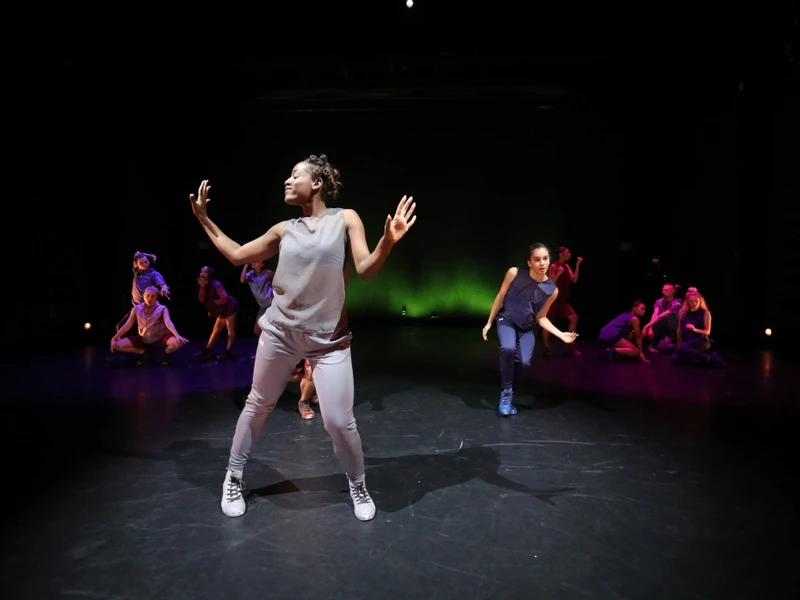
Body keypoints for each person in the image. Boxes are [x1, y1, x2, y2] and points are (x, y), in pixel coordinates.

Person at [189, 154, 417, 520]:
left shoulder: (346, 218)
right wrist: (204, 218)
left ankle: (357, 483)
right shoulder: (283, 229)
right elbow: (235, 255)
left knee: (338, 422)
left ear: (317, 184)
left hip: (330, 341)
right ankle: (233, 476)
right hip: (280, 334)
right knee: (258, 403)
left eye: (295, 175)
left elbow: (366, 269)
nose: (287, 180)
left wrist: (387, 242)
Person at [482, 243, 579, 416]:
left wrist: (561, 335)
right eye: (537, 259)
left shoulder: (552, 290)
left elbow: (541, 317)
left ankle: (511, 390)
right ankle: (506, 393)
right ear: (529, 262)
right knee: (508, 348)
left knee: (524, 363)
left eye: (545, 259)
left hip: (527, 328)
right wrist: (489, 322)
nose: (542, 263)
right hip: (508, 320)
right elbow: (500, 295)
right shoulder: (515, 273)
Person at [111, 286, 188, 365]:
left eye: (153, 296)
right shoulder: (137, 308)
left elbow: (168, 322)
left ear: (156, 297)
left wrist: (177, 335)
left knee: (178, 343)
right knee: (117, 344)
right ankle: (145, 352)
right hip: (144, 338)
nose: (150, 298)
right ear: (143, 295)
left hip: (160, 337)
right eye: (148, 295)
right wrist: (114, 338)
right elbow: (127, 325)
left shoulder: (162, 308)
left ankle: (165, 353)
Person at [541, 246, 582, 356]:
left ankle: (570, 345)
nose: (569, 254)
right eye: (567, 252)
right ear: (561, 254)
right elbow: (550, 283)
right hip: (552, 300)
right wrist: (558, 274)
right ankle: (546, 348)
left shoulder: (567, 266)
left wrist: (577, 265)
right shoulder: (554, 266)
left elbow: (574, 280)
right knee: (547, 324)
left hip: (563, 300)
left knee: (574, 318)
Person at [116, 251, 171, 331]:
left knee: (154, 330)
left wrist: (164, 289)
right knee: (120, 326)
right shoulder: (136, 272)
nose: (145, 264)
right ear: (137, 265)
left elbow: (163, 285)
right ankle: (119, 342)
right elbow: (136, 253)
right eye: (141, 263)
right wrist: (150, 255)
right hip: (136, 307)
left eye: (146, 261)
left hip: (150, 308)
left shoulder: (153, 273)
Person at [671, 290, 726, 367]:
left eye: (696, 301)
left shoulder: (705, 313)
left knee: (681, 352)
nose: (693, 304)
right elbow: (679, 330)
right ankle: (707, 357)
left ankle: (711, 359)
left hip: (701, 340)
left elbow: (707, 331)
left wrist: (695, 329)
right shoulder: (683, 313)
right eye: (691, 301)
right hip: (687, 341)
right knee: (675, 359)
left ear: (700, 301)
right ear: (687, 302)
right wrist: (679, 344)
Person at [197, 266, 239, 360]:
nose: (203, 274)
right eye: (201, 271)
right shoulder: (203, 284)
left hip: (230, 306)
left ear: (210, 274)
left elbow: (224, 299)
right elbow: (201, 299)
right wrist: (202, 287)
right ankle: (207, 351)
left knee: (230, 328)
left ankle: (228, 352)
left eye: (205, 272)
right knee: (216, 329)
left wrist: (212, 306)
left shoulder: (216, 284)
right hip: (221, 308)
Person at [642, 283, 682, 353]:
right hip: (662, 327)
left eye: (666, 290)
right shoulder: (659, 301)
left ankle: (674, 343)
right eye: (663, 290)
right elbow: (655, 314)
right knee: (661, 348)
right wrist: (650, 327)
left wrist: (646, 326)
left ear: (672, 291)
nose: (663, 292)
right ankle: (653, 345)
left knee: (662, 318)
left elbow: (661, 316)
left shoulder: (677, 303)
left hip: (672, 328)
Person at [240, 261, 275, 336]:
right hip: (262, 305)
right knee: (256, 330)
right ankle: (265, 345)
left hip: (272, 303)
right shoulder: (250, 274)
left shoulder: (267, 273)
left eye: (257, 261)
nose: (253, 262)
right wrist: (246, 265)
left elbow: (278, 281)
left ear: (262, 264)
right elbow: (242, 280)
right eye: (253, 261)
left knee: (272, 328)